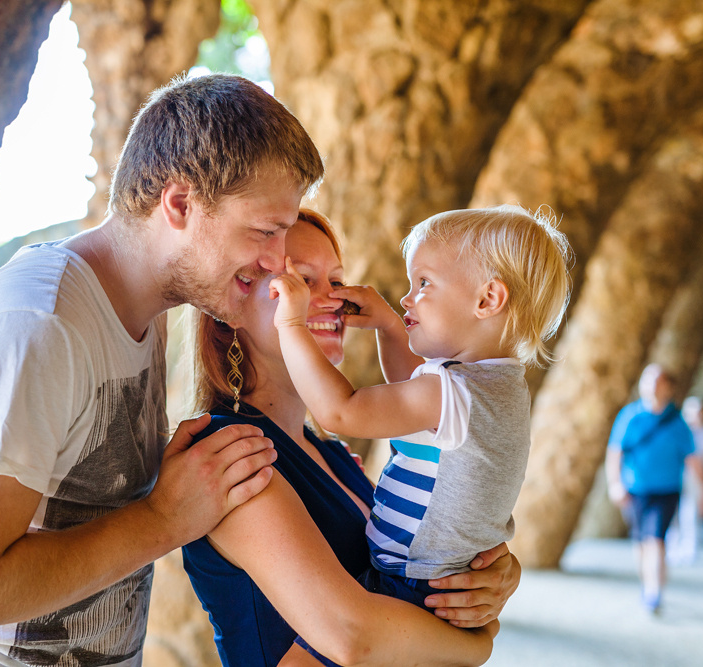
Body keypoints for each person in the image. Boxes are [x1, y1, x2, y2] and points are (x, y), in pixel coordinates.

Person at [0, 73, 326, 666]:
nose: (278, 261)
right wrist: (163, 519)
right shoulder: (38, 324)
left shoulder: (139, 313)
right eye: (264, 230)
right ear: (179, 204)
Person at [183, 209, 523, 667]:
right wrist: (478, 644)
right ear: (228, 310)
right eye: (301, 281)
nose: (332, 300)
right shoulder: (229, 454)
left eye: (337, 282)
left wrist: (487, 576)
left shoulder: (334, 454)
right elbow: (352, 636)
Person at [266, 205, 570, 665]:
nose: (409, 299)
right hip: (438, 583)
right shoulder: (495, 387)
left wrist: (290, 323)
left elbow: (342, 411)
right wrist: (391, 326)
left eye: (424, 284)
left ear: (487, 300)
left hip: (408, 584)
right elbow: (412, 397)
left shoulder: (453, 392)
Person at [606, 364, 703, 615]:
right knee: (641, 541)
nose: (652, 385)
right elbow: (615, 453)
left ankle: (654, 592)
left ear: (669, 388)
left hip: (667, 490)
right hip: (636, 490)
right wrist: (615, 484)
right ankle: (649, 582)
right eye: (647, 380)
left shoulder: (677, 422)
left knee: (655, 539)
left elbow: (693, 459)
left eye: (658, 381)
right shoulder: (630, 416)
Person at [667, 396, 703, 565]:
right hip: (676, 475)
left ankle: (690, 547)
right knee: (672, 511)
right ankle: (672, 547)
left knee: (690, 512)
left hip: (696, 477)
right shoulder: (677, 430)